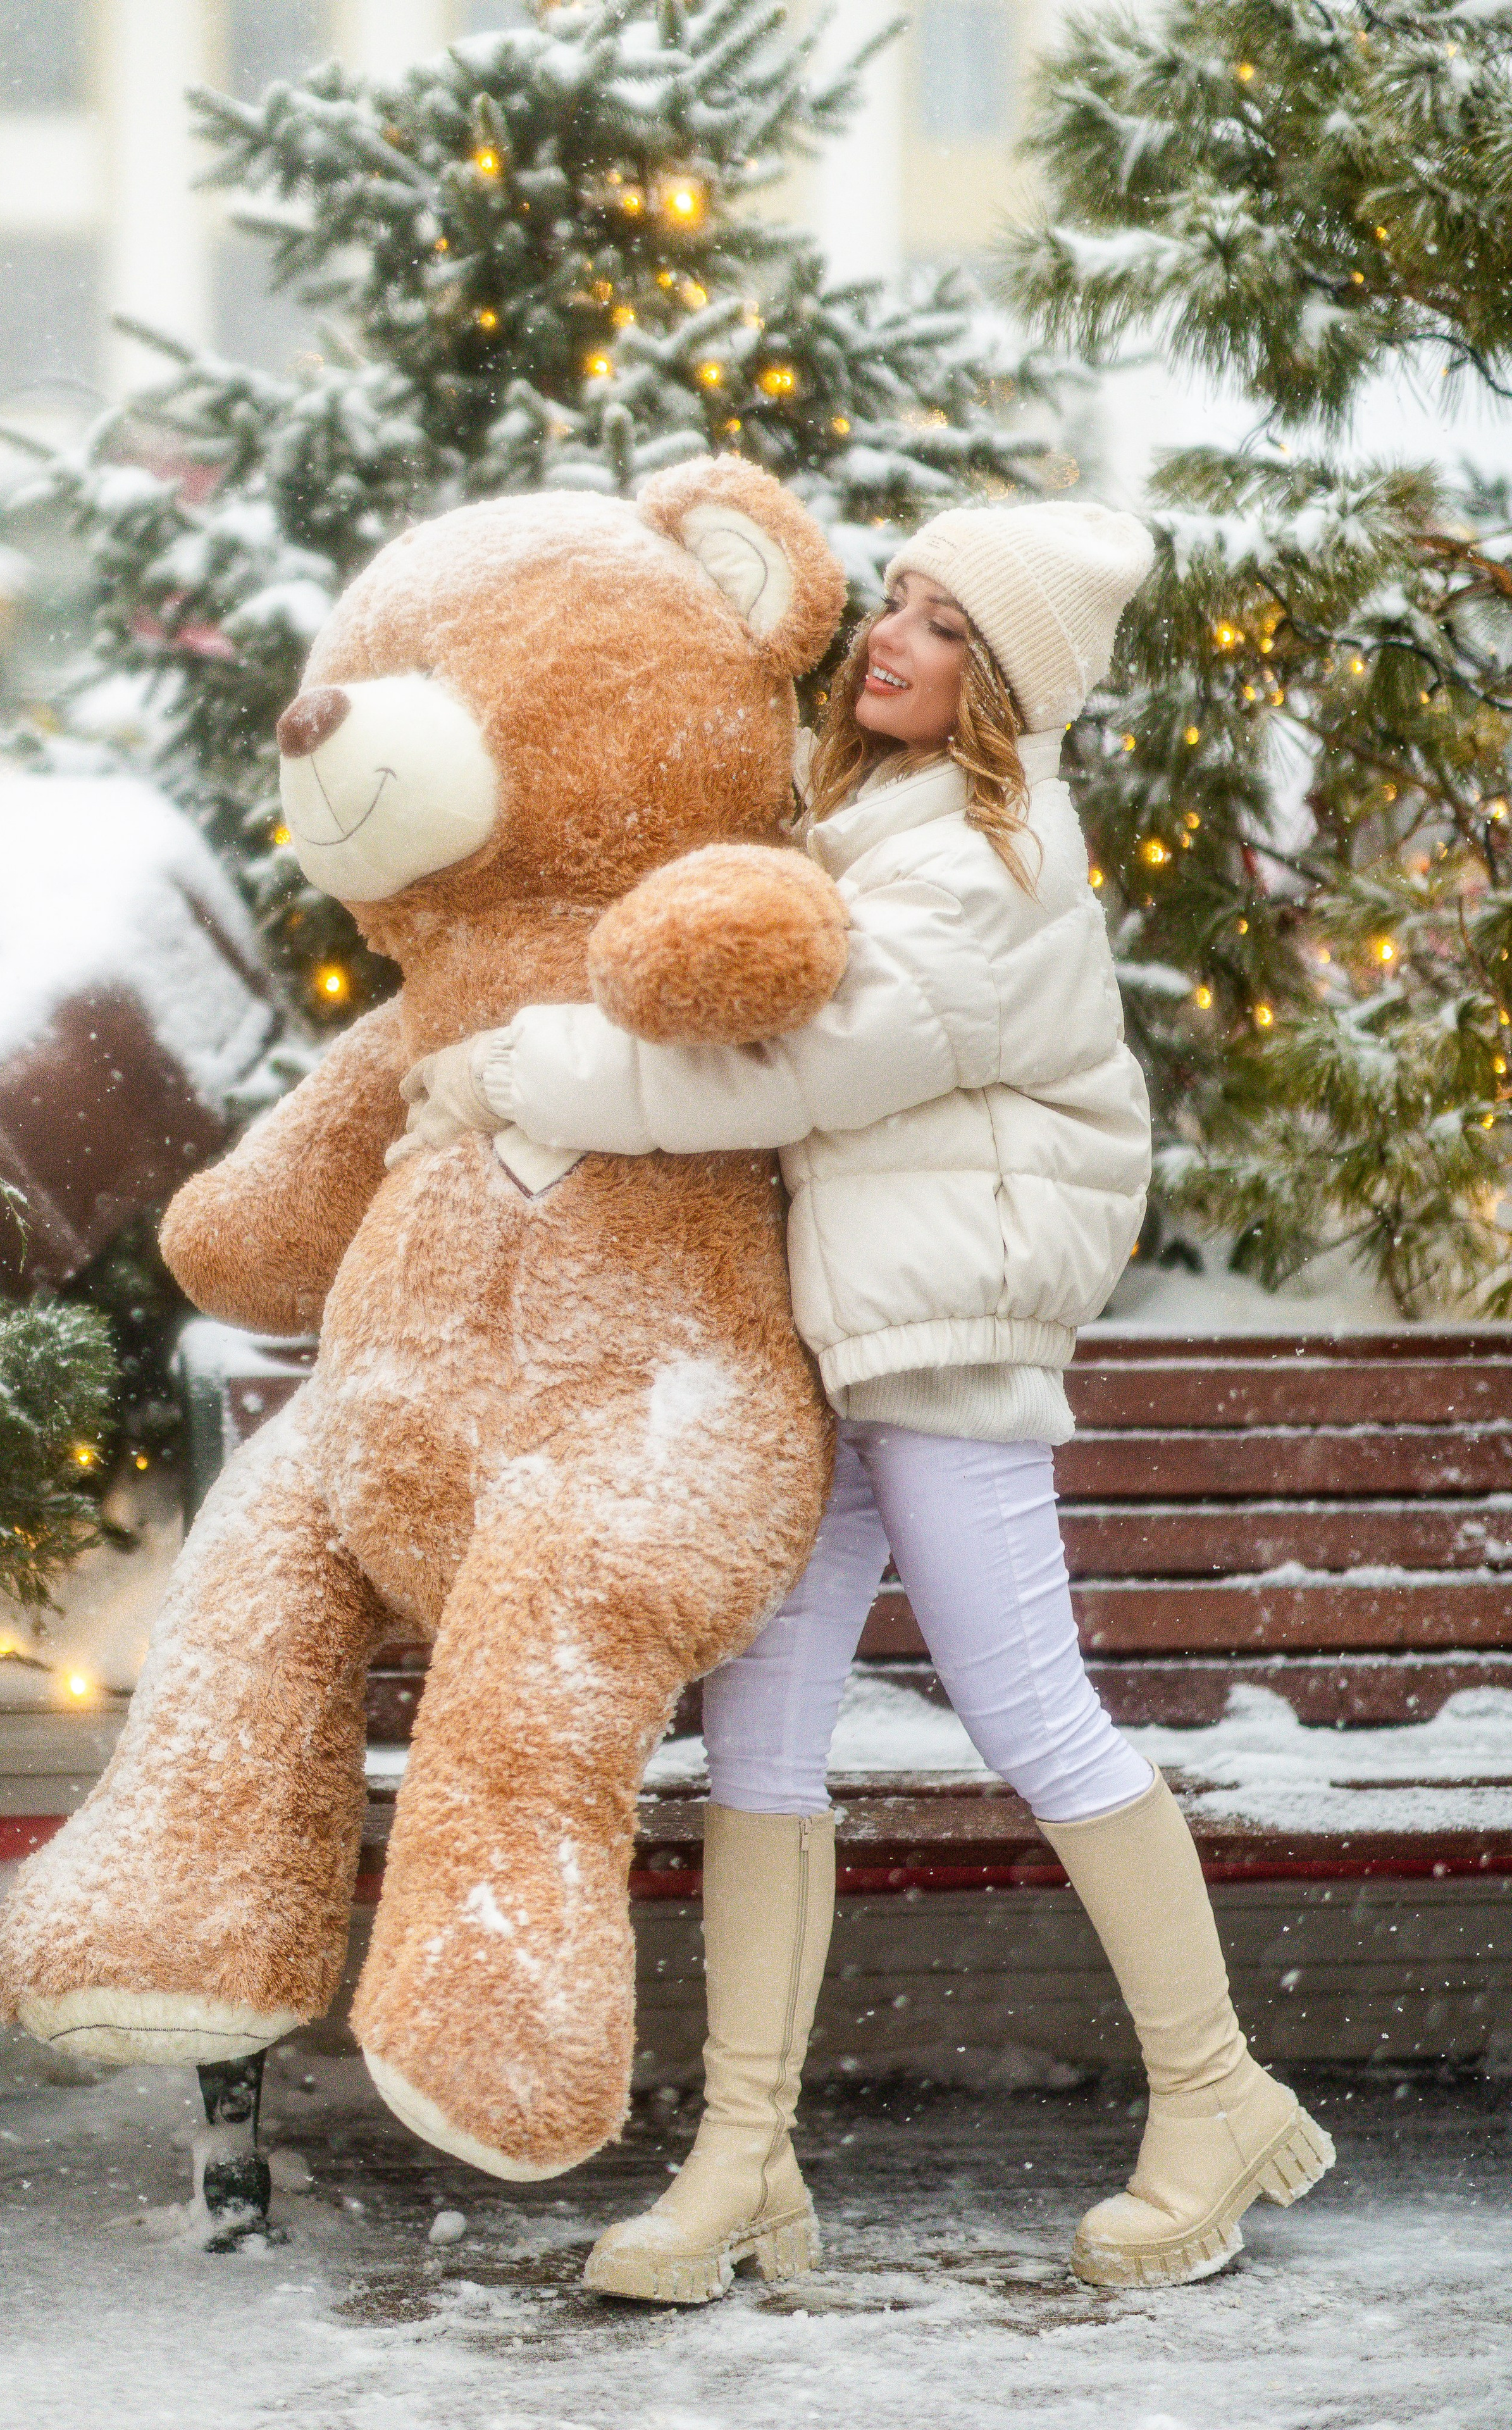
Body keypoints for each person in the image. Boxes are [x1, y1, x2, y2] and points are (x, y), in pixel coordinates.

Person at [401, 499, 1335, 2298]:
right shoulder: (867, 828)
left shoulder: (981, 864)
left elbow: (785, 1070)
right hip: (840, 1339)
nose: (894, 637)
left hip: (944, 1335)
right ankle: (743, 2162)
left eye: (950, 626)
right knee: (759, 1737)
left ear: (1013, 685)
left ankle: (1217, 2098)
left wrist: (520, 1070)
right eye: (896, 602)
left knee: (1033, 1713)